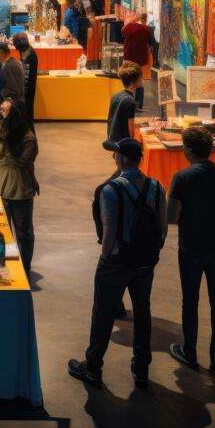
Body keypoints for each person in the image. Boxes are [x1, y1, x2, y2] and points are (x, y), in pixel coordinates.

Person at [68, 138, 167, 388]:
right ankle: (141, 368)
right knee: (142, 311)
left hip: (117, 261)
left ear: (122, 159)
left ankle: (93, 367)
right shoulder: (157, 187)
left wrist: (105, 258)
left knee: (103, 313)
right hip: (145, 261)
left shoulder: (110, 190)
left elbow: (110, 229)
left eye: (116, 155)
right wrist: (152, 253)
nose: (114, 158)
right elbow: (163, 227)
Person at [167, 127, 215, 371]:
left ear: (188, 150)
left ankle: (190, 352)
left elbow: (171, 216)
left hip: (192, 246)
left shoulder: (181, 177)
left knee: (190, 300)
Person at [0, 99, 38, 275]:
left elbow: (22, 160)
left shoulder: (26, 138)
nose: (0, 113)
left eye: (4, 111)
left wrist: (6, 137)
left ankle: (24, 269)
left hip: (17, 188)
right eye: (0, 109)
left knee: (23, 233)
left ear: (15, 115)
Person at [105, 62, 142, 148]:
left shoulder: (116, 95)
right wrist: (134, 144)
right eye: (140, 78)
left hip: (113, 139)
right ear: (133, 82)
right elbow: (130, 128)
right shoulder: (130, 101)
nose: (142, 80)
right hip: (124, 144)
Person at [121, 12, 151, 109]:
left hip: (129, 57)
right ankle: (139, 104)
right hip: (141, 58)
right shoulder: (147, 29)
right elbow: (149, 45)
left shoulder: (129, 27)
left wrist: (129, 23)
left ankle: (128, 102)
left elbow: (123, 31)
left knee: (128, 79)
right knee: (139, 80)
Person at [12, 32, 38, 122]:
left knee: (27, 110)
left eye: (15, 45)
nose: (15, 48)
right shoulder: (25, 50)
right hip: (26, 85)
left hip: (28, 86)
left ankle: (28, 128)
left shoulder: (29, 55)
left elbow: (26, 75)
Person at [0, 41, 24, 107]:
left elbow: (12, 89)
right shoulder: (15, 62)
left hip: (12, 101)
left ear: (1, 53)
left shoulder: (7, 67)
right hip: (18, 97)